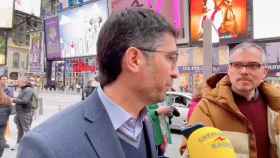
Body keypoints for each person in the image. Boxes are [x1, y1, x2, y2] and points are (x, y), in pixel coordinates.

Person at [17, 8, 178, 158]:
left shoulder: (144, 124)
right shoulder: (46, 147)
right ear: (134, 59)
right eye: (171, 58)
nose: (175, 73)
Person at [180, 42, 280, 158]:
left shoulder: (275, 107)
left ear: (264, 72)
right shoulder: (207, 108)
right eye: (237, 65)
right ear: (229, 69)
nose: (244, 71)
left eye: (253, 65)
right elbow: (189, 150)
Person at [13, 77, 36, 143]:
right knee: (20, 129)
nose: (17, 83)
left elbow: (25, 101)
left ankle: (29, 144)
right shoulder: (23, 89)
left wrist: (14, 100)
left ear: (24, 82)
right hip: (19, 112)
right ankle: (19, 143)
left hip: (25, 112)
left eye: (18, 82)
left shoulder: (28, 89)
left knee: (26, 129)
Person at [0, 76, 13, 157]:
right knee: (1, 137)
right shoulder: (7, 99)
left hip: (3, 119)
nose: (4, 81)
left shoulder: (9, 89)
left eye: (5, 79)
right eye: (3, 79)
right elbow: (11, 109)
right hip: (4, 119)